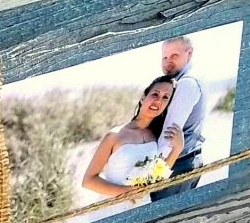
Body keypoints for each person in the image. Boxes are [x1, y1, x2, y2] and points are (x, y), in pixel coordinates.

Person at [82, 76, 184, 205]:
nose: (158, 101)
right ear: (143, 98)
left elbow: (157, 178)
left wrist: (177, 149)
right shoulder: (115, 135)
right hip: (113, 207)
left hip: (143, 205)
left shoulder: (157, 137)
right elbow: (88, 181)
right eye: (155, 94)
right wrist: (126, 192)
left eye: (165, 98)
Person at [151, 36, 207, 201]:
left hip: (177, 165)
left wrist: (152, 175)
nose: (168, 61)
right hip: (186, 162)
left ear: (189, 54)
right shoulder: (189, 80)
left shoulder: (187, 83)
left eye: (174, 55)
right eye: (164, 57)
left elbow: (169, 134)